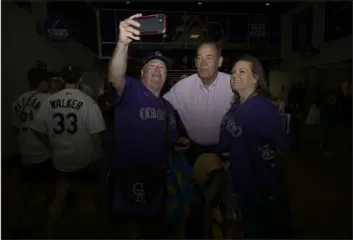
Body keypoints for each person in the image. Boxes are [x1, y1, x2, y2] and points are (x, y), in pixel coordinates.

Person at [107, 13, 190, 238]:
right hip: (129, 175)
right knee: (131, 228)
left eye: (162, 68)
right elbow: (115, 77)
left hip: (158, 176)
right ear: (142, 73)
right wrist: (123, 42)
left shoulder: (168, 107)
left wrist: (180, 144)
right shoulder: (131, 91)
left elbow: (170, 139)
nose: (157, 70)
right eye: (152, 66)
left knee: (154, 228)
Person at [218, 55, 291, 238]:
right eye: (233, 72)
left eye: (242, 72)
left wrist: (269, 188)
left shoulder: (264, 109)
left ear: (256, 78)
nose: (235, 75)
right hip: (241, 184)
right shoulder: (236, 107)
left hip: (261, 190)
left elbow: (278, 150)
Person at [30, 65, 106, 237]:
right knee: (87, 197)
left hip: (60, 159)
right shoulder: (88, 101)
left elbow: (36, 128)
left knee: (60, 196)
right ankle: (91, 233)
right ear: (80, 80)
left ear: (62, 79)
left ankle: (48, 232)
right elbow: (96, 133)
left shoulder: (49, 100)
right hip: (83, 159)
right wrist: (98, 154)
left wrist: (49, 144)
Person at [164, 41, 233, 165]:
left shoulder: (233, 85)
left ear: (220, 62)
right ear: (195, 62)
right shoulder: (183, 87)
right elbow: (163, 108)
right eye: (199, 58)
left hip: (226, 154)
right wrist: (173, 137)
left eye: (209, 57)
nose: (203, 63)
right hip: (192, 153)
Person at [5, 68, 52, 232]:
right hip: (41, 148)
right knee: (43, 186)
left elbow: (15, 126)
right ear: (43, 82)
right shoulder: (47, 99)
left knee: (25, 185)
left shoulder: (19, 99)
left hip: (24, 147)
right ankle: (36, 222)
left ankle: (18, 219)